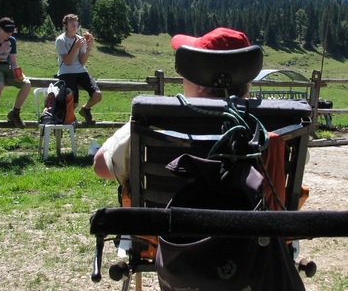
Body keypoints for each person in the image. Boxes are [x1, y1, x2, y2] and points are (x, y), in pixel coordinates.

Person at [93, 27, 251, 186]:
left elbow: (100, 166)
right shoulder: (268, 126)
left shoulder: (155, 120)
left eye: (184, 70)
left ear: (200, 81)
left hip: (166, 211)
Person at [0, 17, 32, 134]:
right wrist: (0, 50)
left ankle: (15, 112)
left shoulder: (12, 41)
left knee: (27, 84)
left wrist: (17, 73)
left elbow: (13, 62)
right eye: (6, 32)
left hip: (7, 67)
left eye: (11, 32)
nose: (9, 35)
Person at [55, 14, 102, 124]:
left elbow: (82, 62)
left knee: (97, 95)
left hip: (81, 71)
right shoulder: (60, 40)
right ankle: (62, 119)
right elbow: (67, 61)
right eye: (71, 22)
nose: (74, 24)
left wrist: (89, 47)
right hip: (66, 72)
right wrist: (75, 47)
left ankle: (85, 109)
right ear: (65, 25)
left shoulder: (81, 39)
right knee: (73, 103)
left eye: (75, 22)